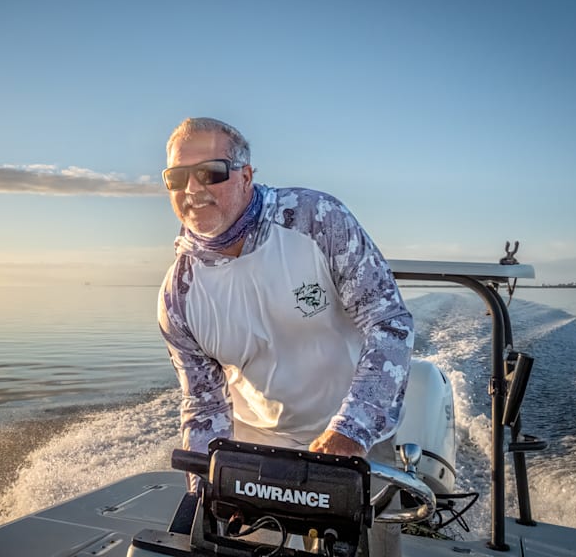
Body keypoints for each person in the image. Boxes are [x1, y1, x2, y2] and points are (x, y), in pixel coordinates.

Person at [157, 117, 414, 556]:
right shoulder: (179, 296)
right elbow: (203, 403)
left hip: (358, 432)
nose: (193, 189)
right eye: (177, 177)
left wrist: (350, 433)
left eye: (210, 173)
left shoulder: (317, 221)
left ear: (246, 175)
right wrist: (206, 487)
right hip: (259, 447)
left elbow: (388, 322)